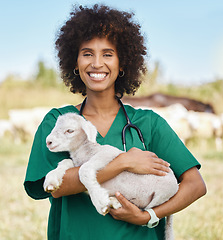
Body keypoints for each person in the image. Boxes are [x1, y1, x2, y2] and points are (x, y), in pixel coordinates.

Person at [24, 4, 206, 240]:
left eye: (108, 54)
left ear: (123, 64)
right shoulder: (58, 122)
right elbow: (57, 187)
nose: (97, 63)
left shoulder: (149, 123)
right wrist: (124, 162)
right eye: (87, 53)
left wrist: (148, 216)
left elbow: (195, 185)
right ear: (74, 61)